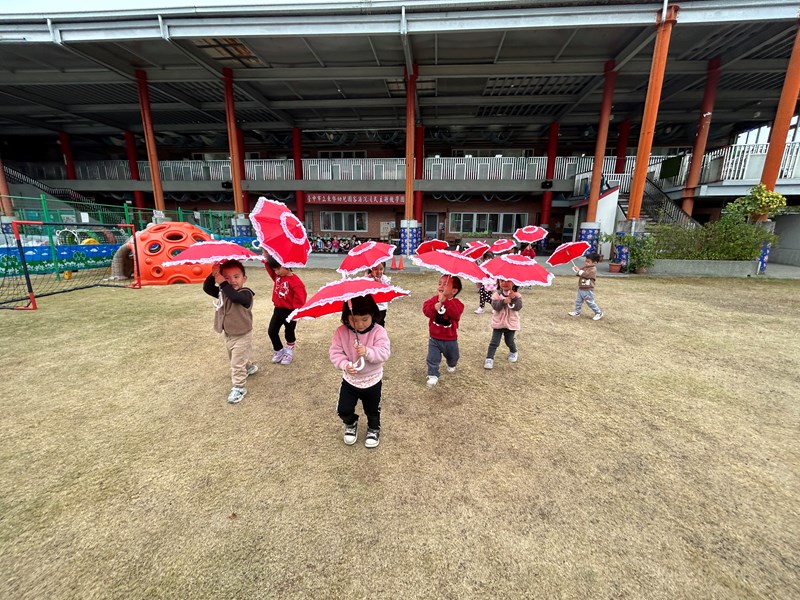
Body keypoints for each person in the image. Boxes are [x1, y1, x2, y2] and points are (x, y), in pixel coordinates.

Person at [329, 295, 391, 449]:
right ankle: (351, 423)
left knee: (372, 409)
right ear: (346, 317)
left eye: (364, 319)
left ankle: (373, 428)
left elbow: (384, 353)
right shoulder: (341, 332)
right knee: (343, 410)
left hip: (373, 379)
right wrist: (344, 364)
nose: (360, 324)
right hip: (350, 380)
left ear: (373, 315)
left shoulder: (379, 331)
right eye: (354, 320)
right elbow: (335, 353)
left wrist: (368, 351)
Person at [202, 259, 257, 404]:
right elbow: (207, 288)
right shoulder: (224, 292)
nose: (232, 281)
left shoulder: (246, 293)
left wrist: (222, 282)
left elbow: (235, 297)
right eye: (227, 277)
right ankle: (249, 366)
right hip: (228, 334)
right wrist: (213, 274)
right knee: (234, 357)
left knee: (236, 363)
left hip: (243, 334)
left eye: (236, 277)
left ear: (244, 279)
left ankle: (239, 387)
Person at [264, 254, 307, 364]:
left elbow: (301, 298)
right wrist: (265, 252)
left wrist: (296, 312)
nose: (276, 272)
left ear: (287, 264)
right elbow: (269, 267)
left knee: (289, 332)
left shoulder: (296, 282)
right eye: (275, 269)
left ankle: (289, 351)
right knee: (272, 331)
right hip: (278, 310)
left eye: (278, 268)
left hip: (290, 312)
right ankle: (279, 350)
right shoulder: (277, 277)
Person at [422, 275, 464, 387]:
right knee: (432, 358)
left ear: (454, 291)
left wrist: (446, 302)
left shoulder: (457, 303)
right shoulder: (433, 300)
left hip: (450, 338)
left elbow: (456, 313)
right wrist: (434, 307)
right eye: (440, 283)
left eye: (445, 284)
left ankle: (451, 363)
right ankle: (433, 374)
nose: (441, 285)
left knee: (453, 356)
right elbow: (426, 311)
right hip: (434, 338)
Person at [483, 279, 522, 369]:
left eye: (507, 281)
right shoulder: (496, 295)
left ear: (513, 283)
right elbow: (495, 306)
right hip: (498, 323)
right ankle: (489, 358)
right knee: (494, 342)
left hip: (511, 323)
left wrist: (513, 299)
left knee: (509, 341)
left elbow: (518, 307)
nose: (504, 283)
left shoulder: (517, 295)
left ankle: (513, 351)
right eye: (501, 281)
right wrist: (503, 301)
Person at [569, 251, 603, 321]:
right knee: (578, 301)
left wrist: (579, 271)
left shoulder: (593, 269)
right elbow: (580, 273)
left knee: (590, 302)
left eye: (588, 261)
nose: (586, 263)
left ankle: (598, 312)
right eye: (585, 261)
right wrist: (577, 270)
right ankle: (577, 312)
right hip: (581, 287)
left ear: (594, 263)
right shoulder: (585, 267)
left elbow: (586, 275)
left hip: (588, 289)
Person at [366, 262, 391, 327]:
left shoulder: (385, 279)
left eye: (381, 269)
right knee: (370, 324)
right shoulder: (367, 279)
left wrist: (380, 284)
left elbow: (387, 291)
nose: (378, 271)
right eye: (375, 269)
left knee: (380, 323)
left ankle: (381, 336)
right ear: (371, 269)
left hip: (381, 307)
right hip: (370, 306)